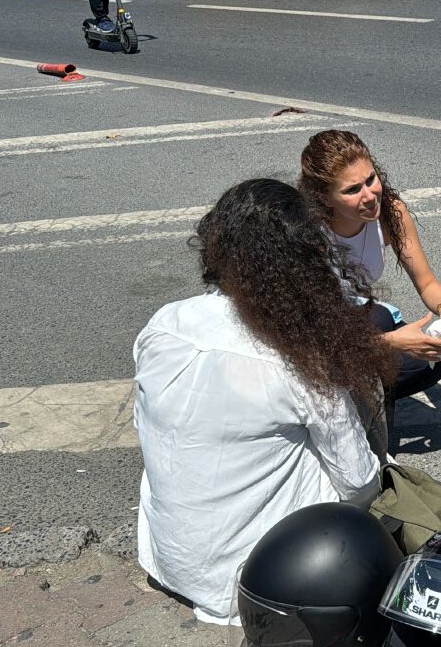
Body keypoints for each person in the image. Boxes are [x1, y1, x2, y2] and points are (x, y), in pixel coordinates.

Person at [133, 178, 397, 624]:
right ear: (302, 265)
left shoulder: (164, 324)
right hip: (261, 579)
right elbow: (358, 485)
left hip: (170, 558)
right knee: (351, 451)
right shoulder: (297, 359)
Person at [298, 129, 441, 433]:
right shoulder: (308, 234)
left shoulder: (391, 213)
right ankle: (372, 448)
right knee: (388, 351)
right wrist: (389, 343)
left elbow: (426, 282)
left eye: (371, 179)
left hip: (353, 320)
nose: (370, 196)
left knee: (418, 363)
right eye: (352, 190)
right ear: (324, 198)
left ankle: (373, 429)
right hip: (312, 336)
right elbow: (311, 332)